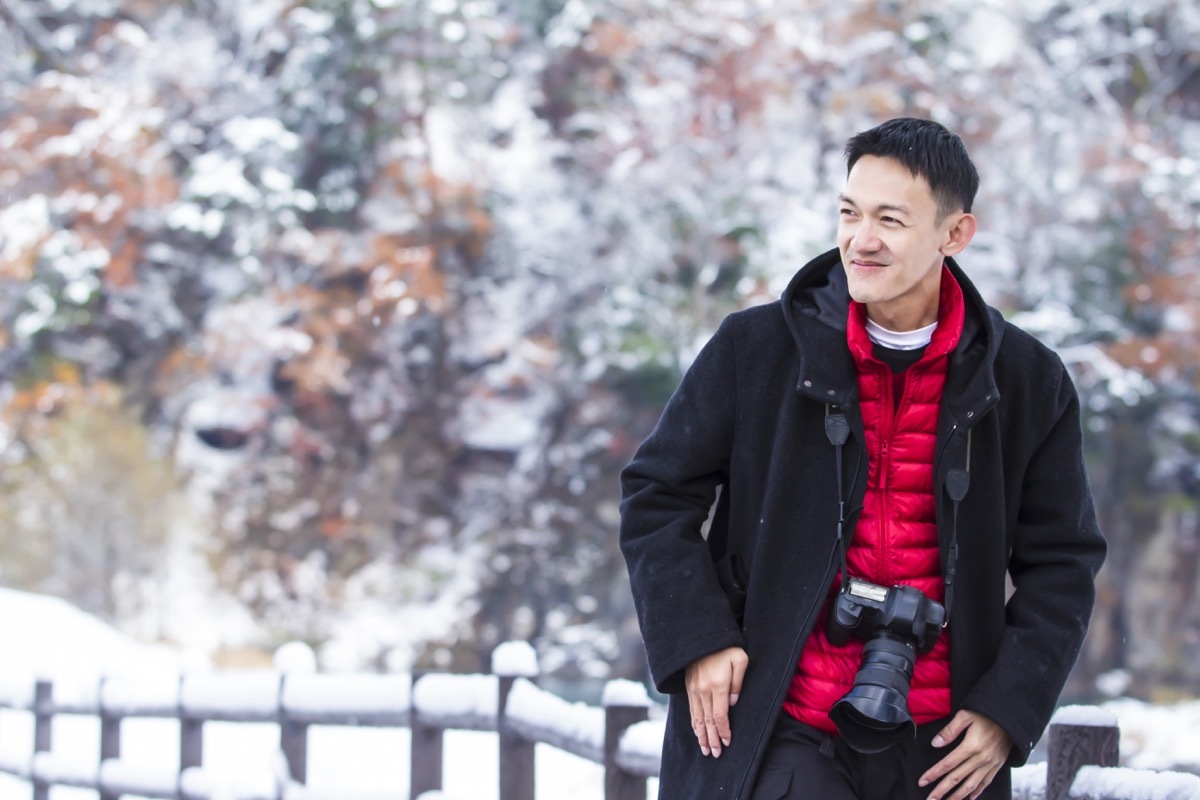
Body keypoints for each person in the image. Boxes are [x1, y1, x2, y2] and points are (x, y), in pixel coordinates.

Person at [619, 117, 1107, 800]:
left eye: (890, 219)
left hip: (942, 747)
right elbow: (655, 495)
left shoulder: (1028, 380)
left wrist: (1009, 709)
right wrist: (697, 637)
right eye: (849, 213)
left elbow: (1064, 560)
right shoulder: (755, 350)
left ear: (955, 233)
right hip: (778, 723)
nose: (861, 240)